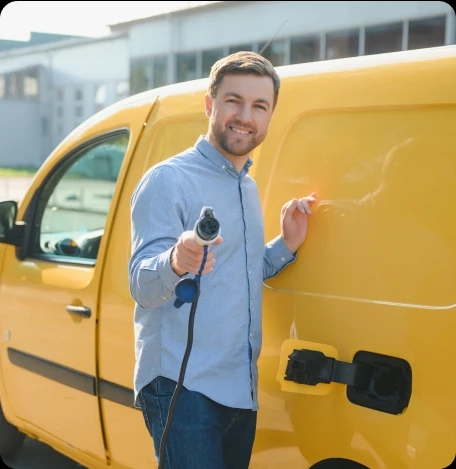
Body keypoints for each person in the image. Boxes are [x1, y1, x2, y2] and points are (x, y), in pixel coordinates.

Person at [128, 50, 317, 469]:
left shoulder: (246, 188)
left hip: (238, 388)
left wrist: (286, 245)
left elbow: (242, 272)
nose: (245, 116)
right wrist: (177, 260)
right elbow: (141, 285)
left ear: (269, 117)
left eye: (259, 106)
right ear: (210, 104)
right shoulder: (168, 179)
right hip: (181, 384)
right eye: (234, 100)